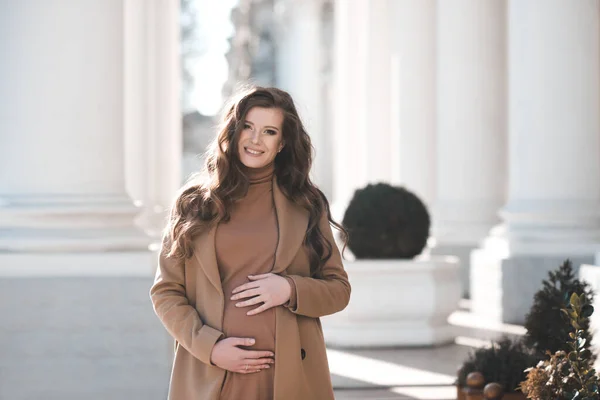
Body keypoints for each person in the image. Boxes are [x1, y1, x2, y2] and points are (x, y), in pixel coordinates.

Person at [150, 86, 351, 400]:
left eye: (269, 131)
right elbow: (166, 292)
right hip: (212, 374)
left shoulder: (306, 204)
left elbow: (339, 290)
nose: (256, 140)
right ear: (233, 130)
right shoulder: (194, 203)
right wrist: (211, 347)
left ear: (282, 142)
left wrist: (289, 289)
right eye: (248, 127)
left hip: (287, 377)